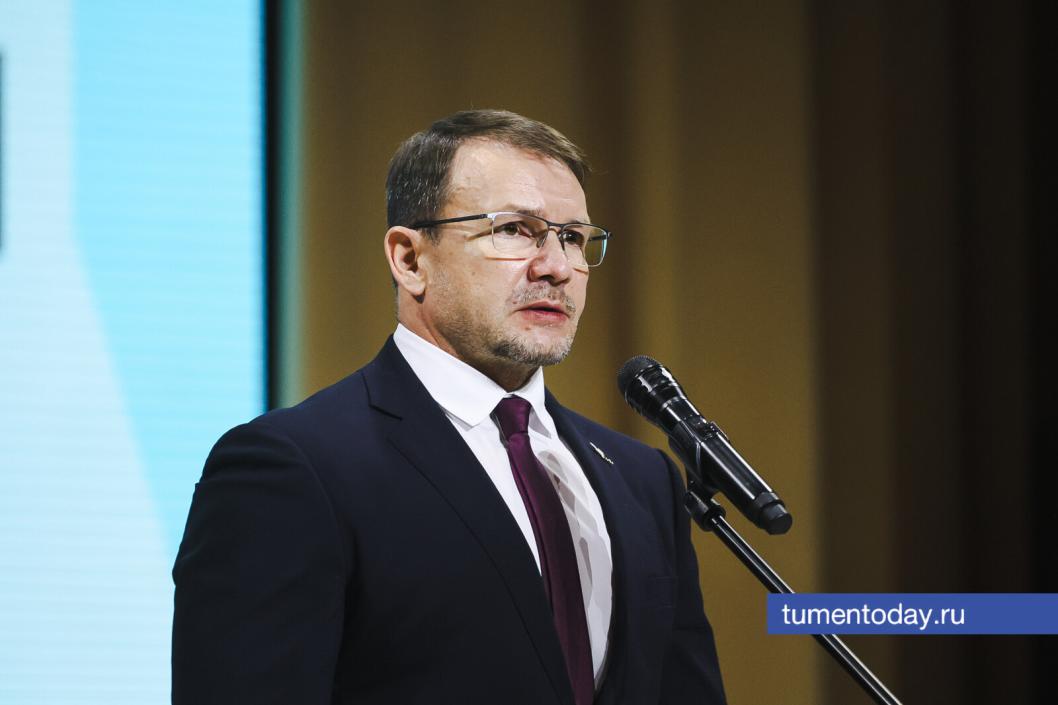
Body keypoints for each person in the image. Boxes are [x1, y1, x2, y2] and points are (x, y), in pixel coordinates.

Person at [172, 109, 727, 705]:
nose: (557, 267)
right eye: (515, 230)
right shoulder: (294, 468)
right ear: (410, 259)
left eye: (572, 237)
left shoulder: (642, 480)